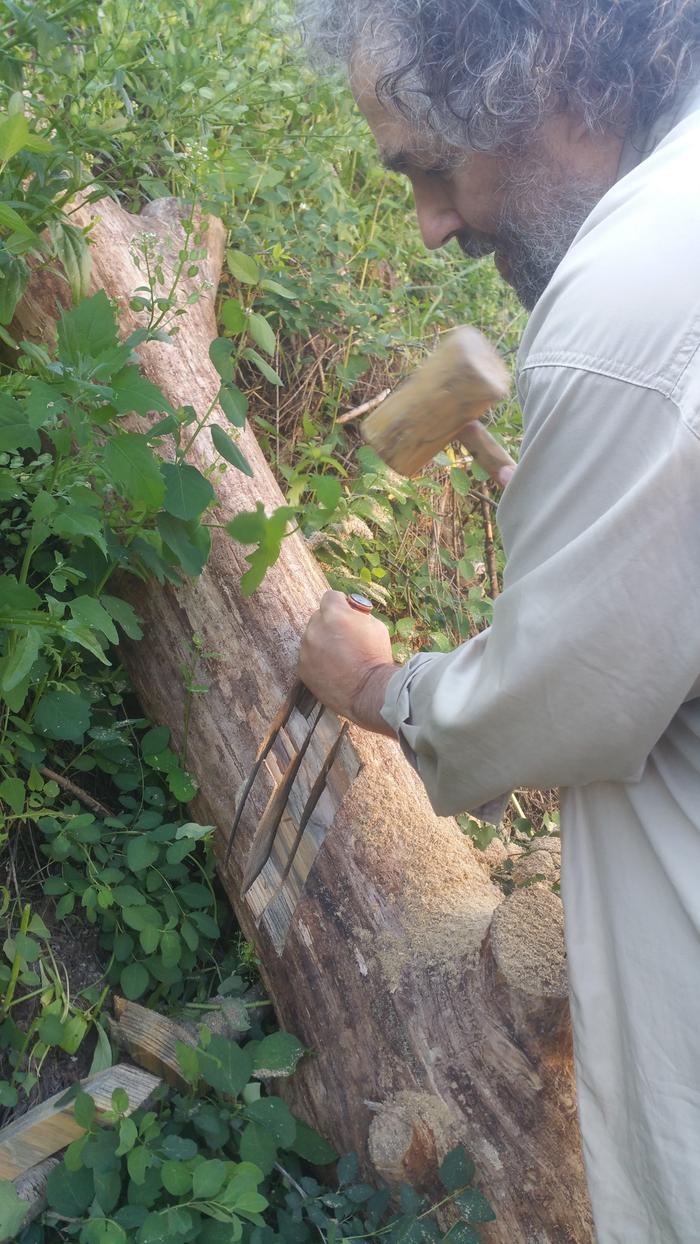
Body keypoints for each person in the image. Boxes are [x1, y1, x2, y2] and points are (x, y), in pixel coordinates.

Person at [296, 2, 700, 1240]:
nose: (431, 225)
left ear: (551, 83)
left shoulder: (629, 304)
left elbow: (551, 710)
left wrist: (378, 685)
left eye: (431, 166)